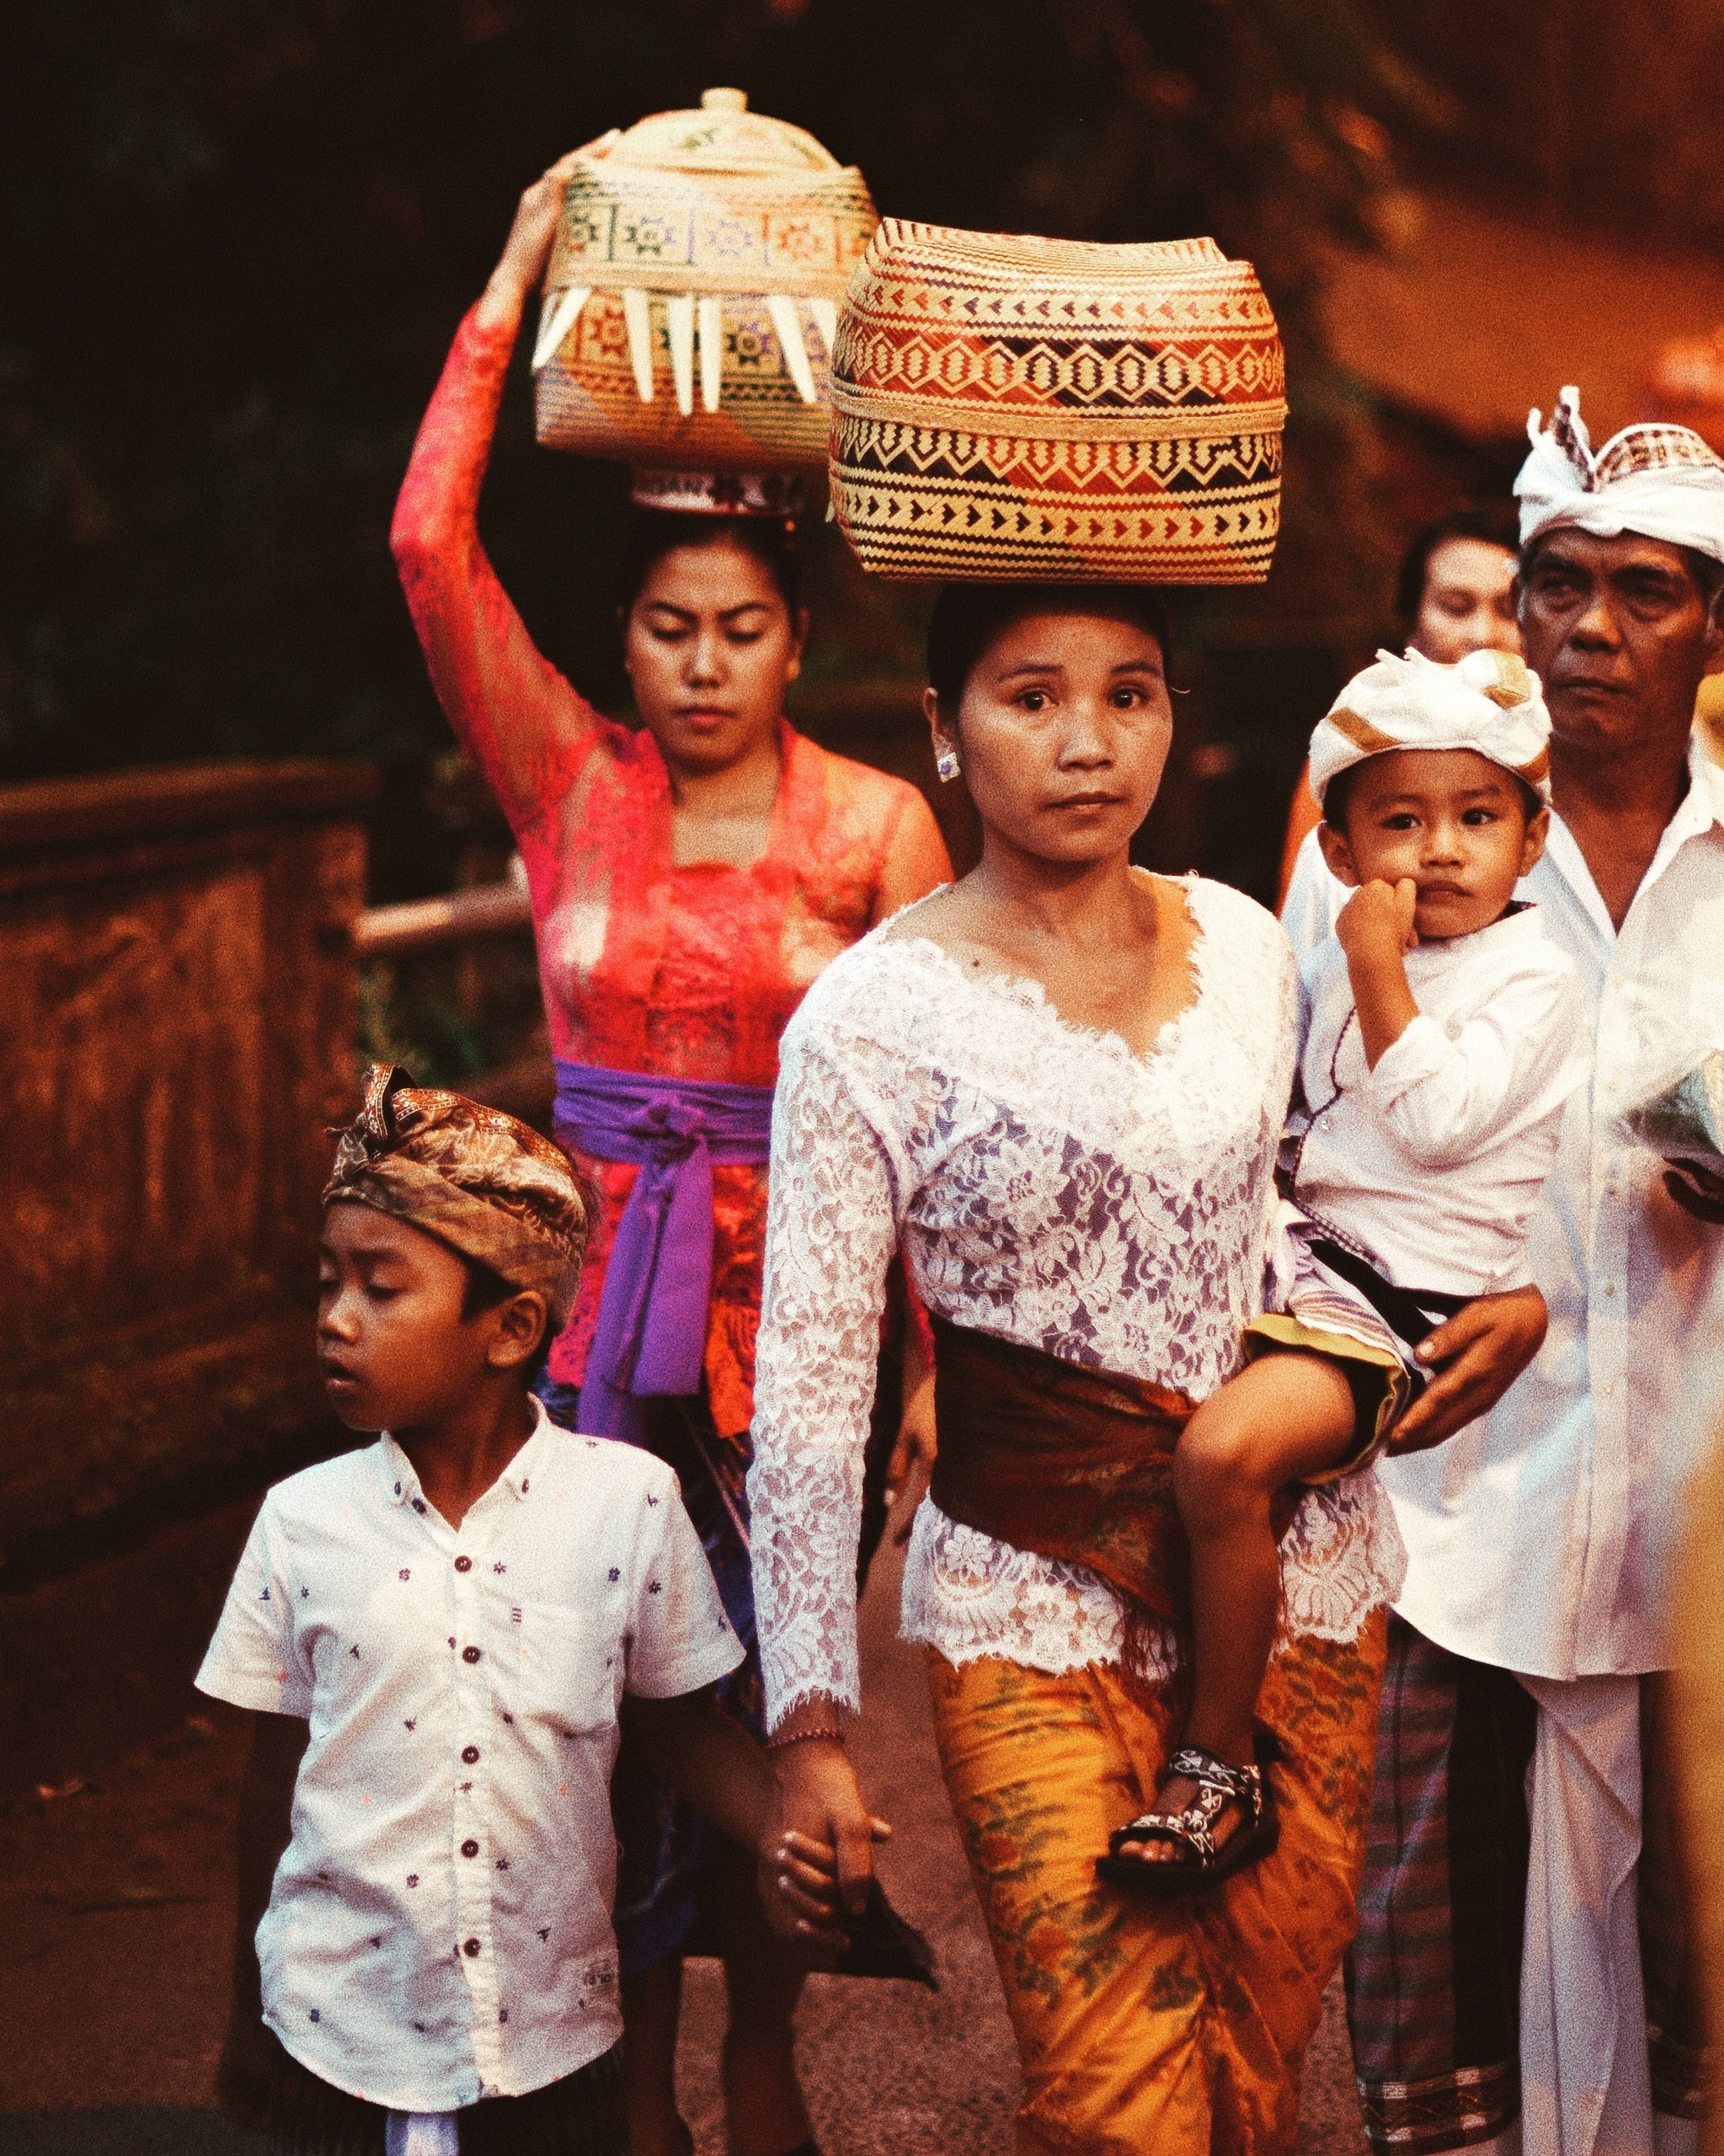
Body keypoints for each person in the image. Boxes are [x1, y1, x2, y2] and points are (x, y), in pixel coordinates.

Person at [746, 583, 1549, 2153]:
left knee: (1252, 2087)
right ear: (941, 737)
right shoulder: (868, 1018)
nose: (1087, 744)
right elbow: (811, 1390)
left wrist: (1527, 1301)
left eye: (1130, 695)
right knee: (1115, 2101)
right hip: (1026, 1598)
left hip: (1299, 1580)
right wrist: (808, 1730)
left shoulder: (1251, 945)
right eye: (1029, 699)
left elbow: (1399, 1156)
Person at [389, 152, 952, 2156]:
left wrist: (930, 1366)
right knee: (598, 1712)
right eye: (663, 626)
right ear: (620, 641)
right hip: (566, 1342)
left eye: (738, 627)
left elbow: (925, 1124)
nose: (699, 662)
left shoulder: (881, 828)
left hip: (790, 1338)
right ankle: (631, 2073)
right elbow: (428, 551)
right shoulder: (567, 786)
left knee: (776, 1686)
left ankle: (764, 2047)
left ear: (794, 639)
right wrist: (516, 268)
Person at [1315, 390, 1724, 2156]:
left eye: (1646, 590)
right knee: (1444, 2032)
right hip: (1453, 1510)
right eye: (1558, 584)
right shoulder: (1417, 849)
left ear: (1716, 623)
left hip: (1697, 1514)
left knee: (1696, 2022)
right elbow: (1293, 1150)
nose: (1588, 629)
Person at [200, 1067, 841, 2156]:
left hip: (550, 2044)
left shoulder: (623, 1506)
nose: (335, 1321)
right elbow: (276, 1778)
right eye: (327, 1285)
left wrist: (782, 1819)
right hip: (331, 2040)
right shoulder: (300, 1523)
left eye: (379, 1288)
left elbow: (678, 1725)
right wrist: (246, 2007)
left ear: (509, 1330)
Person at [1112, 646, 1587, 1886]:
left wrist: (1372, 965)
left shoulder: (1533, 981)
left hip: (1397, 1307)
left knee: (1221, 1460)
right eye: (1399, 822)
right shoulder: (1327, 957)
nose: (1436, 850)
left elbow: (1431, 1124)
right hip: (1289, 1262)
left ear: (1530, 840)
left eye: (1474, 818)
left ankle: (1218, 1768)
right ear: (1335, 853)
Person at [1278, 506, 1522, 932]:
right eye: (1456, 607)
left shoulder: (1565, 755)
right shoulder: (1354, 753)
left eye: (1508, 609)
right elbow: (1305, 934)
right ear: (1411, 623)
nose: (1483, 634)